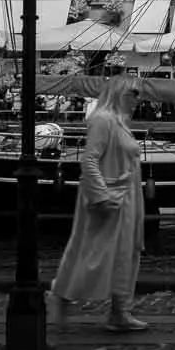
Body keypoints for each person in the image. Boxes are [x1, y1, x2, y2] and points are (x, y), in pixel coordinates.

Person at [47, 76, 149, 333]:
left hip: (125, 198)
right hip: (111, 197)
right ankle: (63, 294)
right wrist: (101, 195)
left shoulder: (119, 122)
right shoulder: (103, 120)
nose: (138, 99)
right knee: (95, 253)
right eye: (134, 93)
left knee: (125, 254)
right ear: (120, 93)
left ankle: (120, 311)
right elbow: (89, 160)